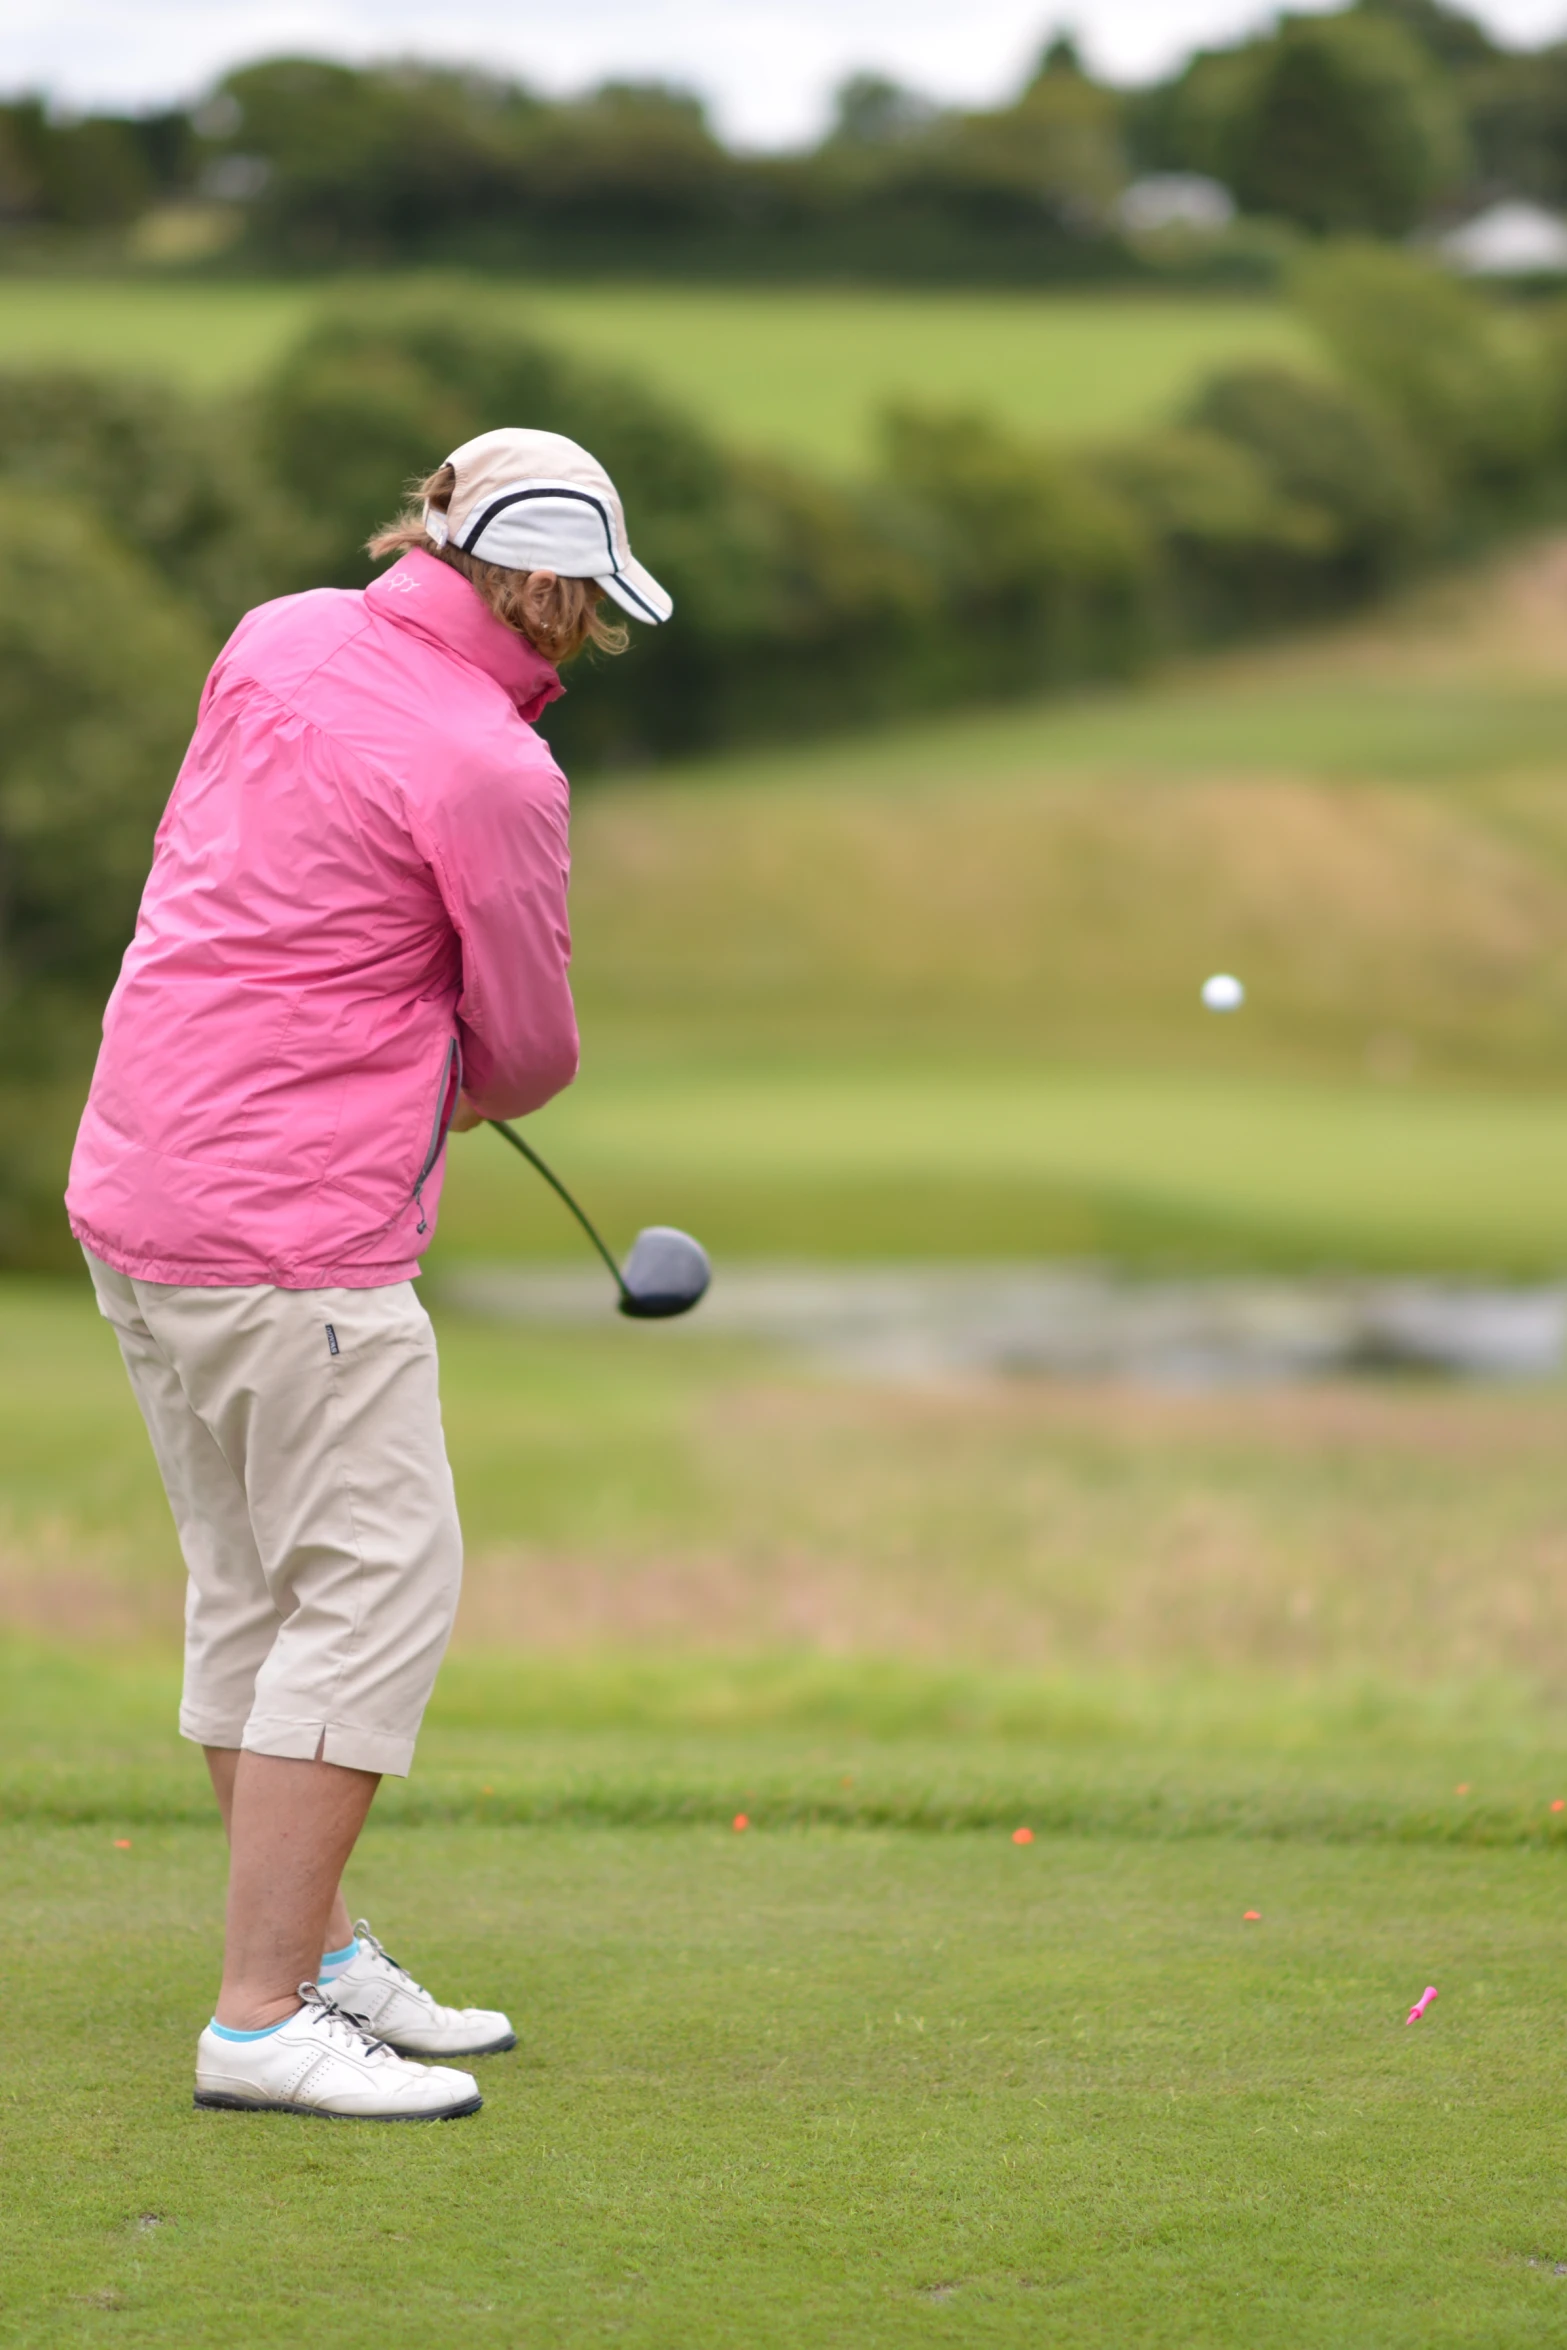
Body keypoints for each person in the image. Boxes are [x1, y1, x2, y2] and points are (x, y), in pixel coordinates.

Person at [66, 427, 672, 2122]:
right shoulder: (495, 767)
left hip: (135, 1178)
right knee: (376, 1588)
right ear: (551, 588)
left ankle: (318, 1954)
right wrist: (451, 1076)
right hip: (293, 1233)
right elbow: (532, 1050)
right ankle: (260, 2018)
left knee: (254, 1582)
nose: (587, 640)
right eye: (587, 607)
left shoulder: (271, 631)